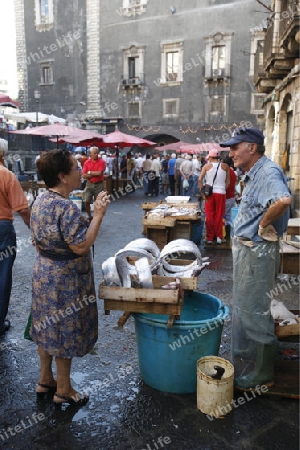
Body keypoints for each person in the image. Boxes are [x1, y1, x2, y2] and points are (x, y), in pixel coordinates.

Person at [31, 149, 110, 406]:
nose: (81, 172)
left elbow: (36, 240)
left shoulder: (40, 201)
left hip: (43, 273)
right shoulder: (66, 207)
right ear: (63, 176)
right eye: (77, 168)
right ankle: (63, 389)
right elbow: (80, 246)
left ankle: (45, 379)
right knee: (63, 331)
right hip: (65, 279)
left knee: (45, 327)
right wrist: (98, 215)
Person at [220, 127, 291, 390]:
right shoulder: (254, 172)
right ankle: (250, 357)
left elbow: (284, 199)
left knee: (254, 311)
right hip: (249, 251)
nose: (231, 153)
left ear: (252, 147)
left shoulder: (267, 171)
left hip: (257, 252)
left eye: (235, 147)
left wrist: (263, 224)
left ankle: (261, 375)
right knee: (245, 307)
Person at [0, 149, 31, 335]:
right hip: (2, 228)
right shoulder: (6, 175)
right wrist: (34, 230)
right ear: (2, 155)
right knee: (2, 275)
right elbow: (23, 210)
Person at [198, 148, 230, 244]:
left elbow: (200, 180)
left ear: (211, 157)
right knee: (219, 215)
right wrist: (223, 189)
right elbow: (228, 183)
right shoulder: (225, 166)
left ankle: (209, 238)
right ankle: (219, 237)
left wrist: (203, 193)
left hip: (209, 194)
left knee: (209, 215)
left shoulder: (206, 166)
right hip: (221, 193)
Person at [82, 147, 106, 221]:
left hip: (99, 184)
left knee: (98, 202)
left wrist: (89, 172)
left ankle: (97, 216)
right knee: (86, 200)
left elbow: (99, 173)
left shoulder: (101, 162)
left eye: (97, 153)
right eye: (94, 153)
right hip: (89, 183)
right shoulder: (87, 162)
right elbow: (83, 175)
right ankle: (89, 216)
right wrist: (93, 174)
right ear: (90, 154)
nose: (96, 155)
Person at [222, 155, 237, 240]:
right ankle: (227, 235)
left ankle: (221, 234)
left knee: (221, 216)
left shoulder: (224, 172)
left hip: (224, 197)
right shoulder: (233, 172)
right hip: (231, 197)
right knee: (228, 217)